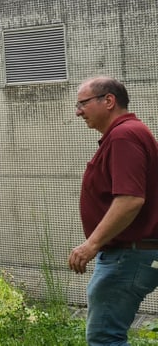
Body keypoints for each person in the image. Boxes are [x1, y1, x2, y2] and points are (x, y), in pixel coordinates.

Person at [68, 76, 158, 346]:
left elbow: (130, 199)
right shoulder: (127, 133)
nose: (78, 111)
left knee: (106, 338)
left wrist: (90, 245)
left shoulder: (123, 136)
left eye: (83, 103)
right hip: (128, 254)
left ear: (108, 101)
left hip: (128, 256)